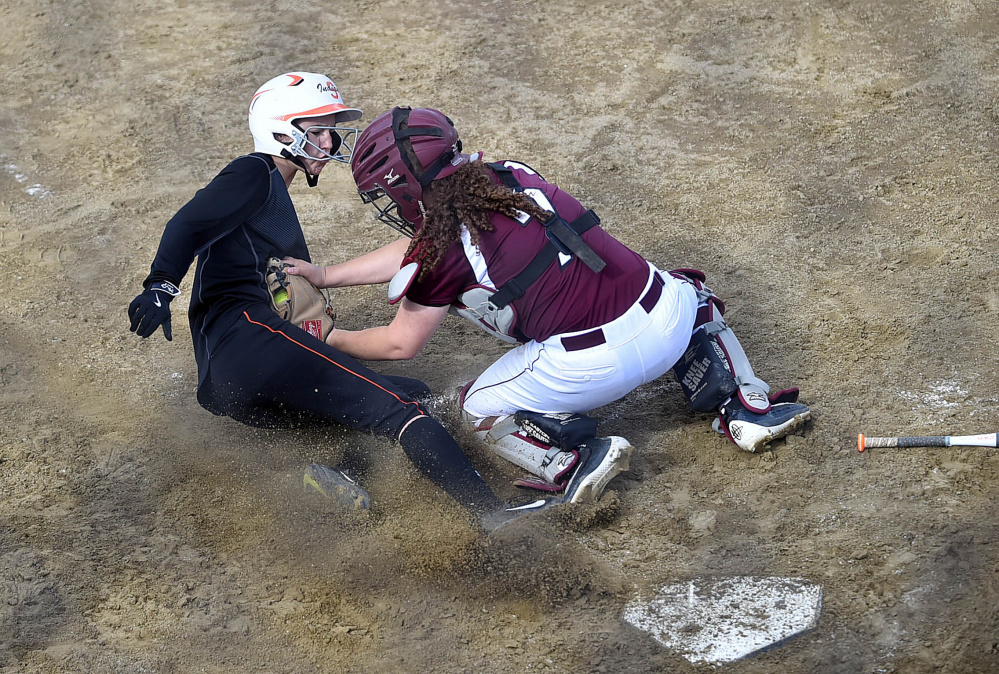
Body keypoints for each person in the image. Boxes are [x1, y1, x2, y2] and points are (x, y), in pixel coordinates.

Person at [283, 106, 812, 504]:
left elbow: (400, 343)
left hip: (591, 368)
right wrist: (327, 275)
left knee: (476, 407)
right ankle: (745, 407)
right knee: (684, 289)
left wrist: (330, 339)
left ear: (406, 187)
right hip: (669, 323)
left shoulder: (441, 250)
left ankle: (573, 461)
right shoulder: (511, 177)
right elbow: (426, 242)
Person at [126, 75, 546, 530]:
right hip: (249, 340)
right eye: (318, 129)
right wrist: (161, 284)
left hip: (232, 376)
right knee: (398, 412)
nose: (329, 140)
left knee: (411, 395)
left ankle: (342, 474)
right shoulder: (254, 172)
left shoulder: (270, 193)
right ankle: (494, 518)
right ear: (282, 132)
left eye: (331, 129)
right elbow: (188, 222)